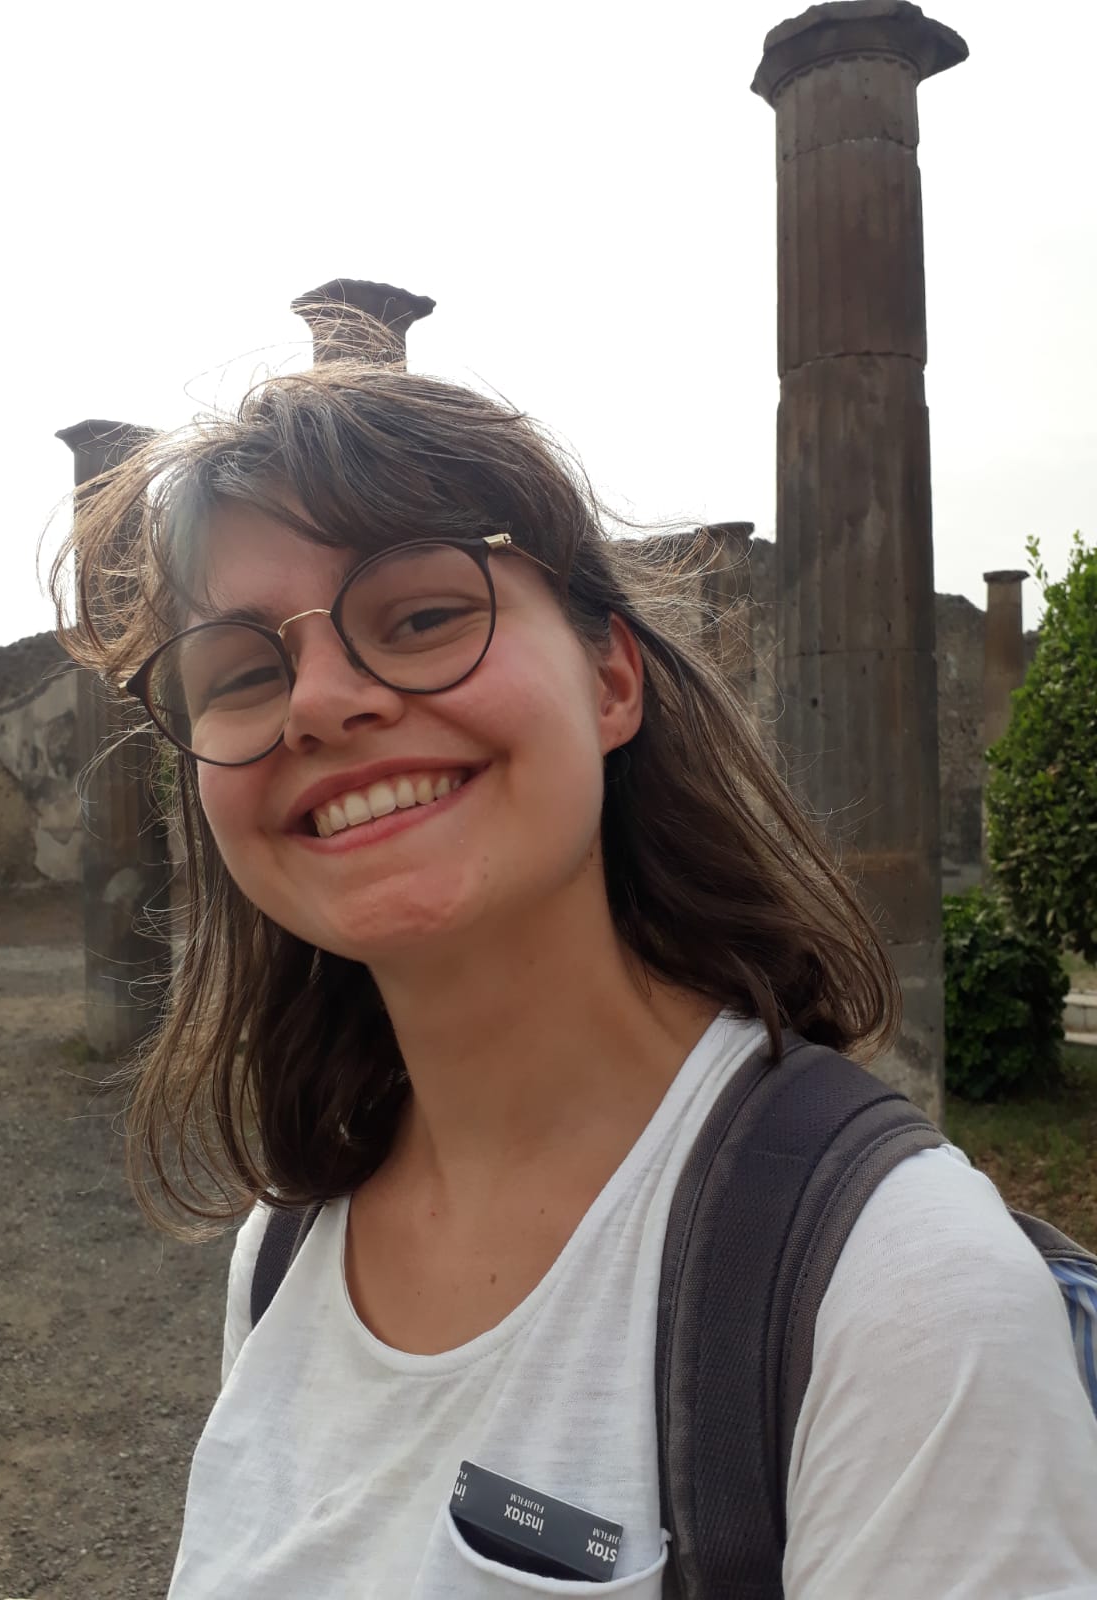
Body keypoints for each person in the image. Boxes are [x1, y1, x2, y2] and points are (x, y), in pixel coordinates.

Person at [55, 353, 1097, 1599]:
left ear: (611, 680)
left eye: (423, 615)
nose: (320, 702)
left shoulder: (905, 1298)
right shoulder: (285, 1244)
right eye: (240, 673)